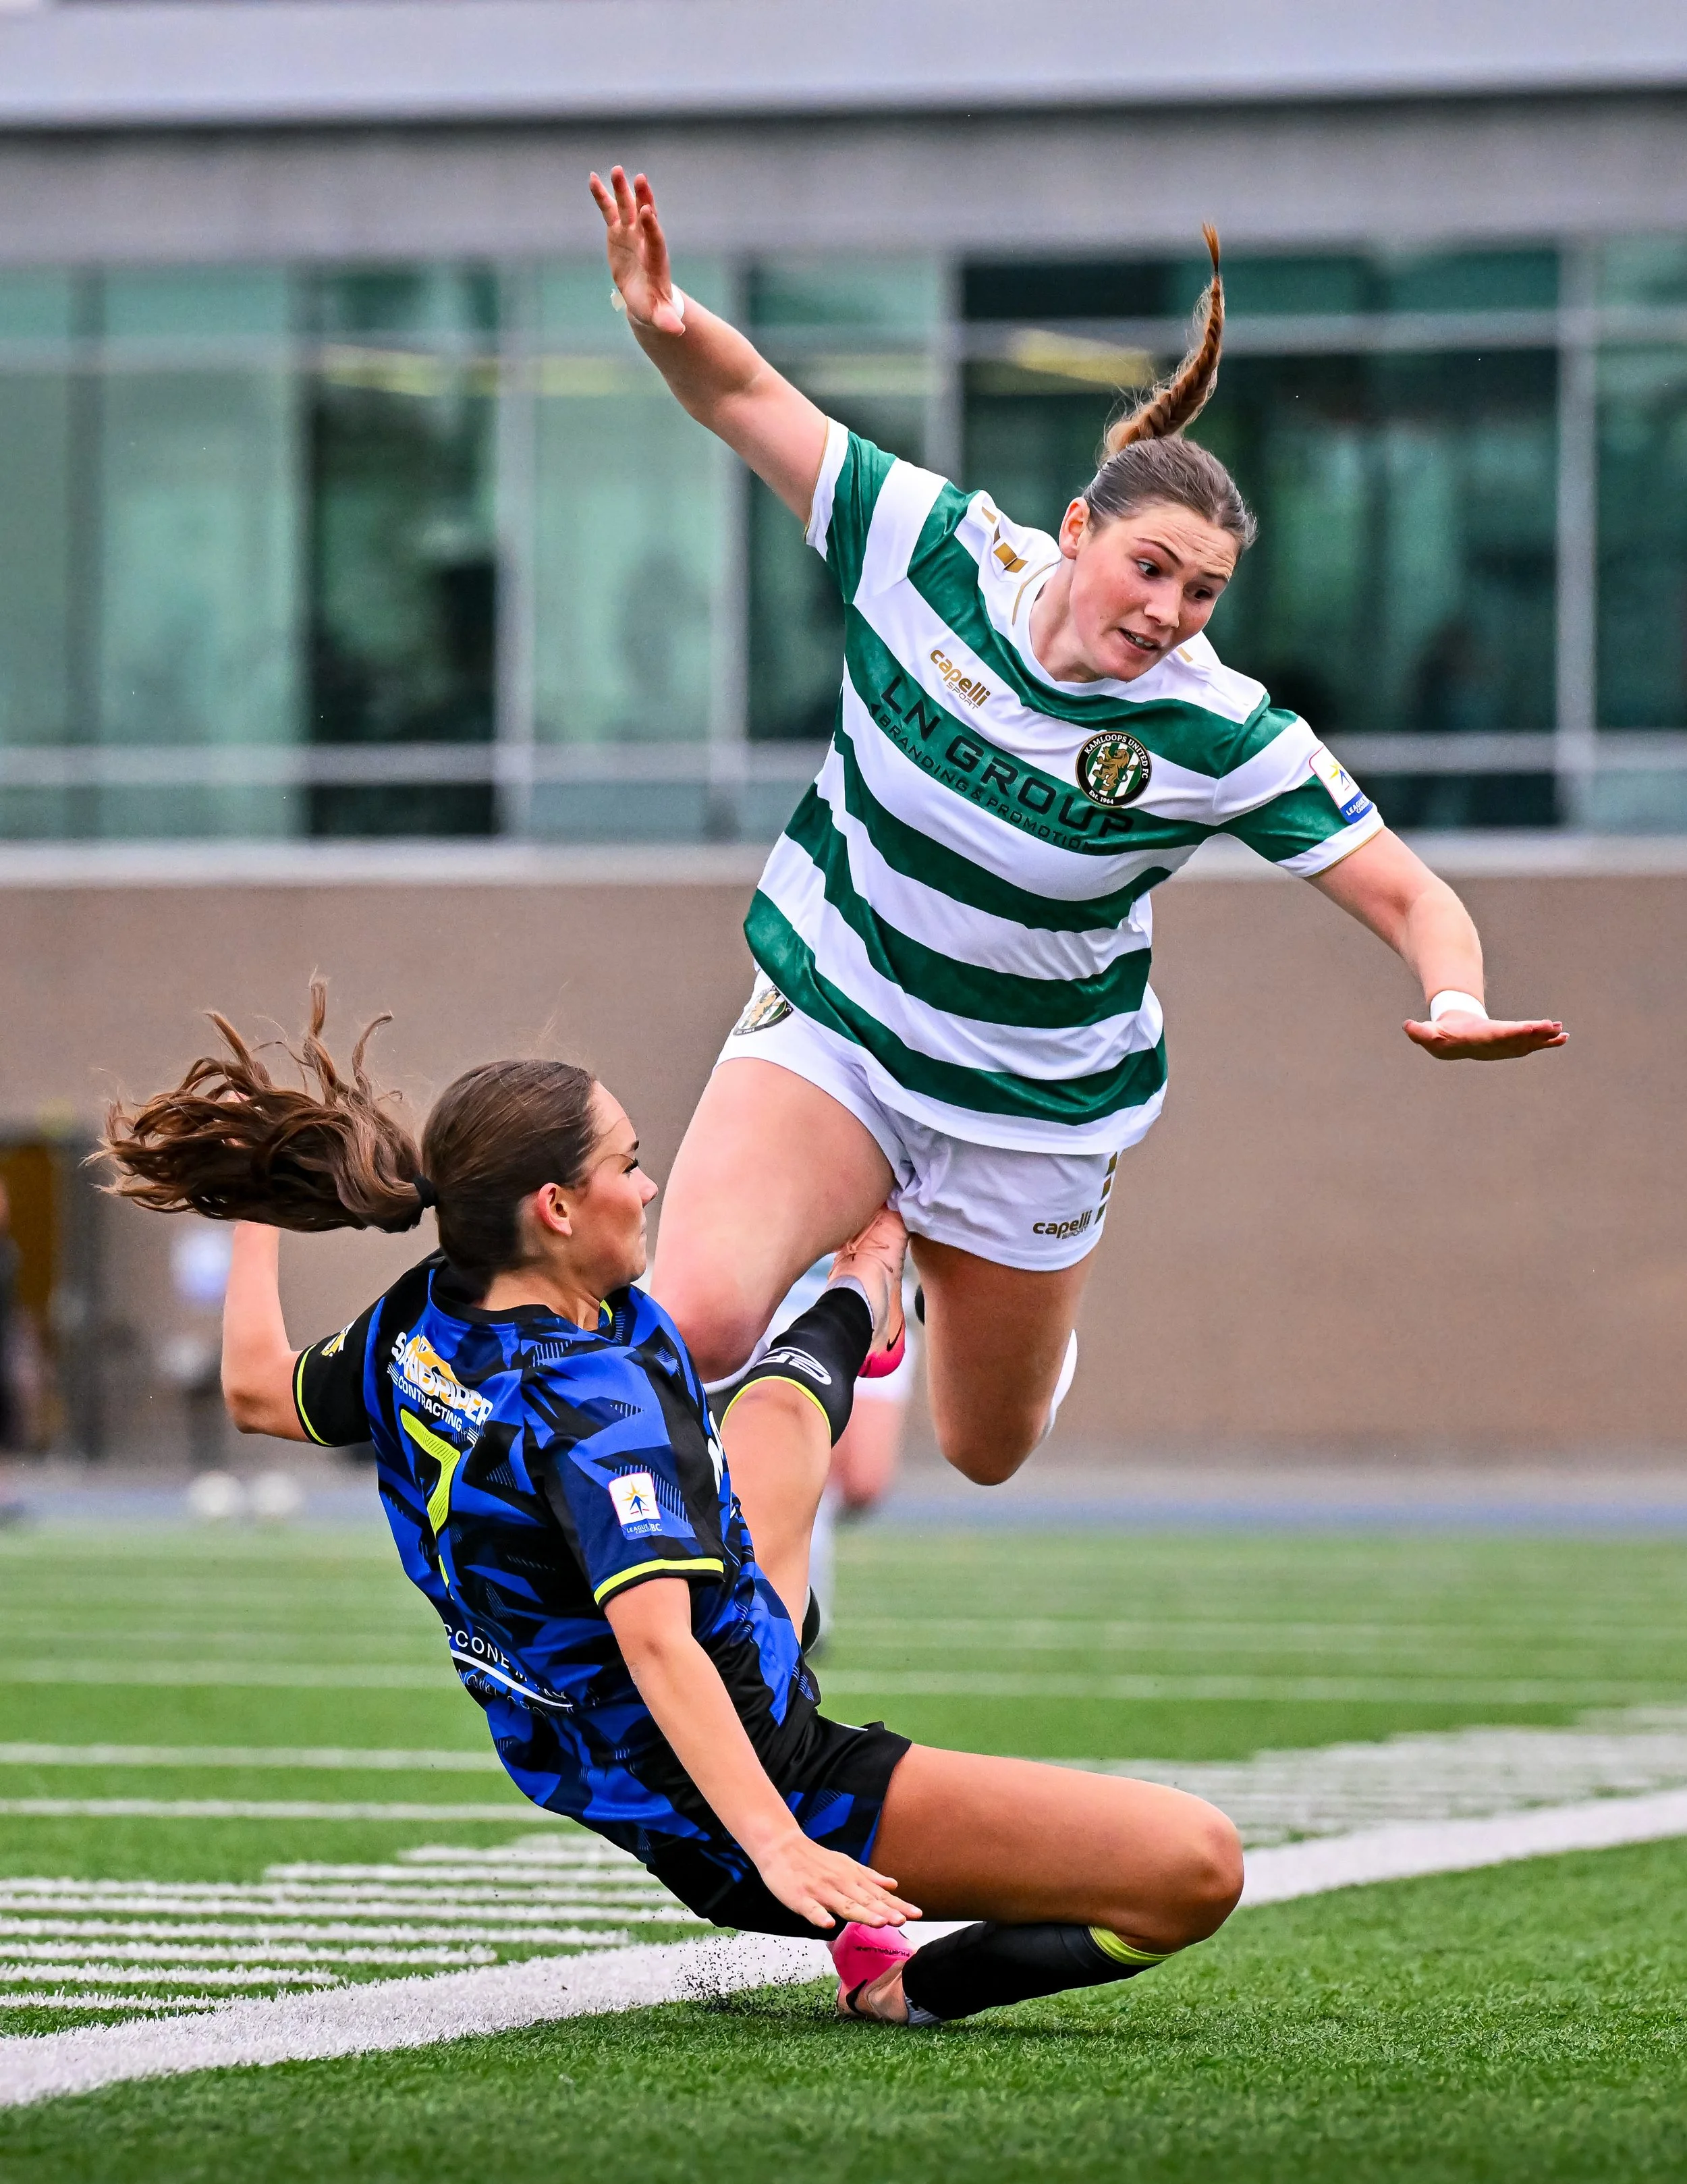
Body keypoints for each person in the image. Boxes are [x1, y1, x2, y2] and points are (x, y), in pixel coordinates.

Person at [588, 166, 1568, 1581]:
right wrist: (663, 314)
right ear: (1071, 530)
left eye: (1201, 592)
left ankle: (915, 1287)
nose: (1168, 613)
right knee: (692, 1321)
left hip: (1032, 1104)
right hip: (842, 1020)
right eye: (1150, 570)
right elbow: (750, 402)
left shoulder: (1215, 726)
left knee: (987, 1445)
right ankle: (851, 1287)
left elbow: (1413, 895)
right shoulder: (922, 546)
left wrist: (1457, 998)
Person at [98, 990, 1242, 2028]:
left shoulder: (428, 1317)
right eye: (628, 1164)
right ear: (556, 1206)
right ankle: (910, 1985)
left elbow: (258, 1389)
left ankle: (868, 1277)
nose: (648, 1185)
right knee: (1195, 1867)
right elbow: (660, 1644)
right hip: (749, 1770)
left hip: (621, 1725)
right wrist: (781, 1844)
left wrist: (254, 1212)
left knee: (780, 1413)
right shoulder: (585, 1407)